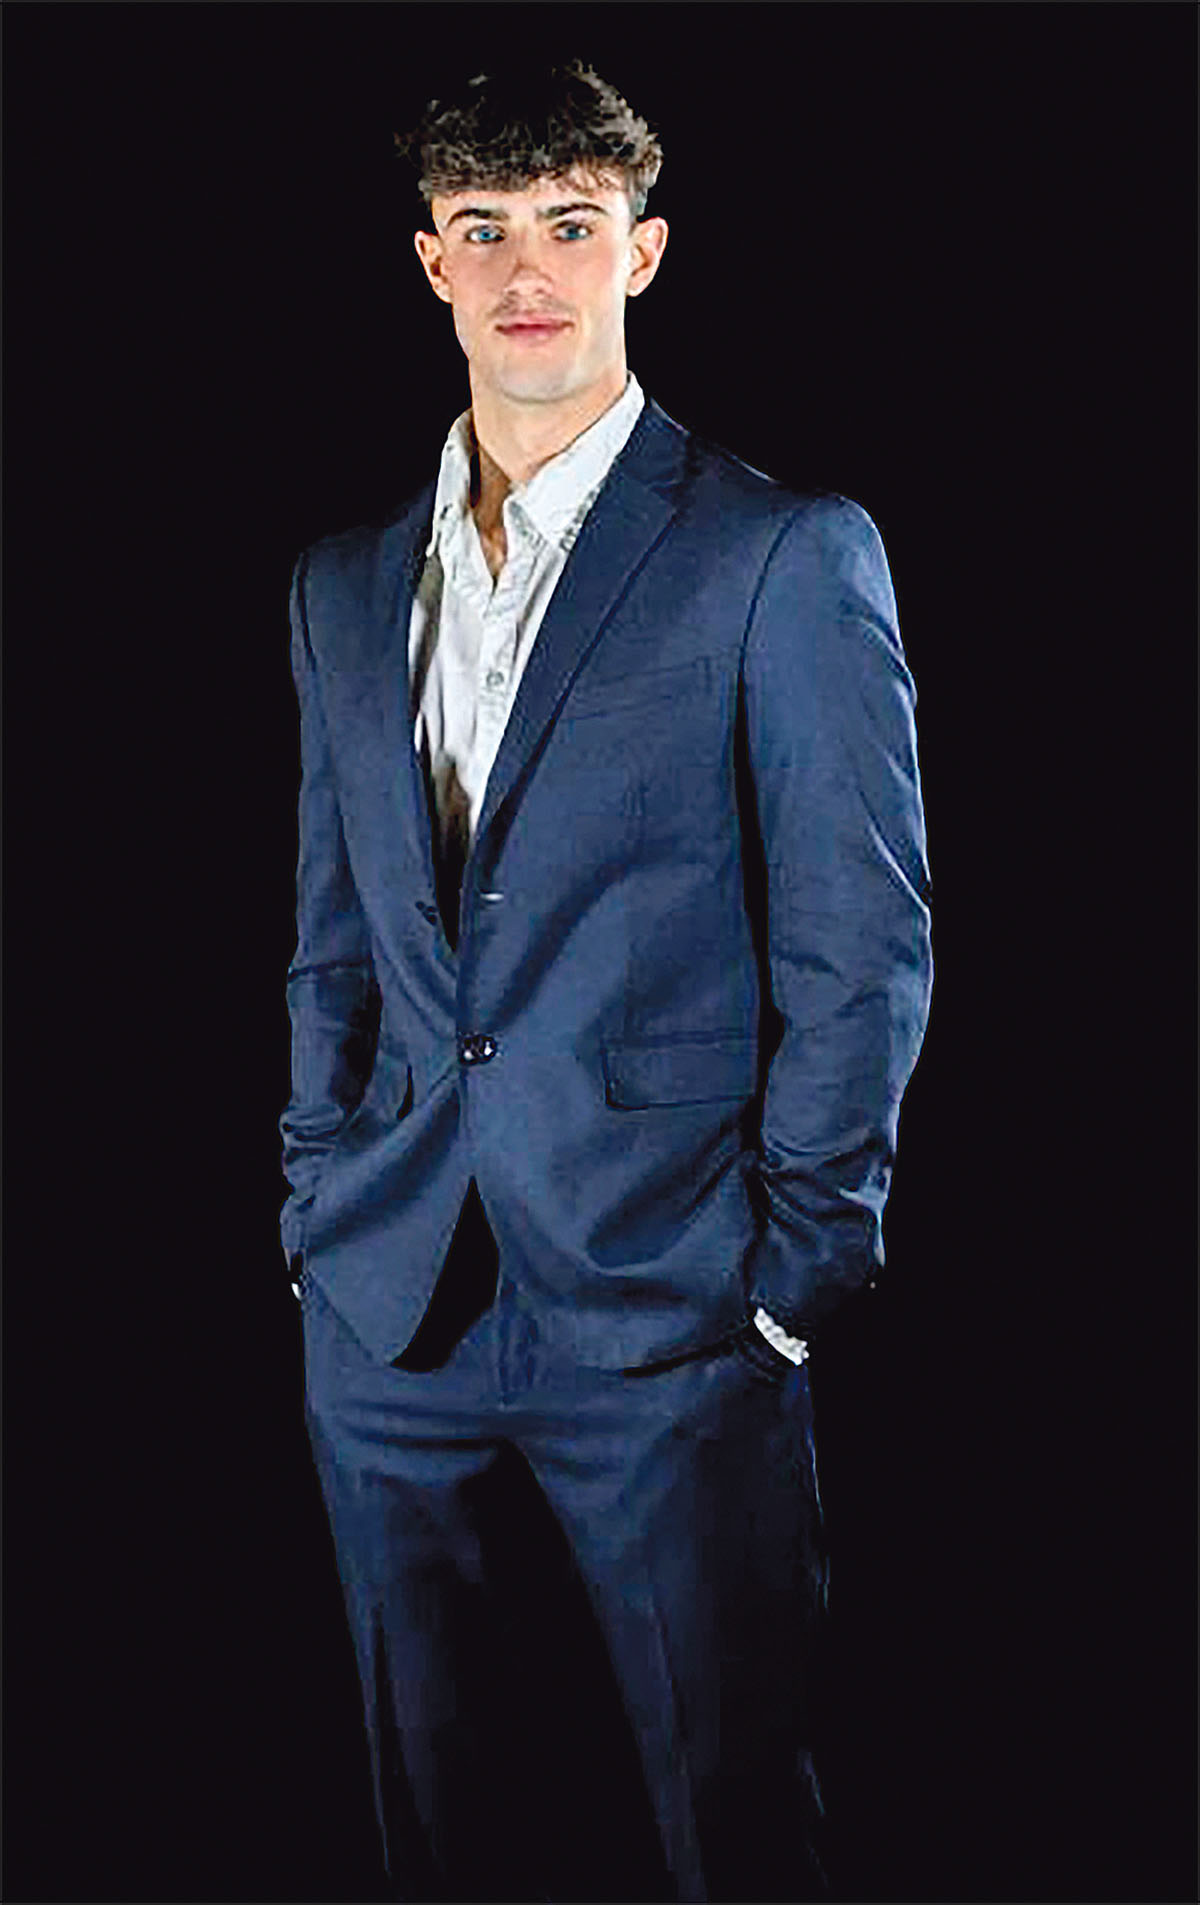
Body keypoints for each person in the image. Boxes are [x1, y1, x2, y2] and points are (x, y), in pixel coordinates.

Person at [280, 57, 932, 1904]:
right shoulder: (342, 589)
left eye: (569, 224)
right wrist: (316, 1205)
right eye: (482, 228)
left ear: (640, 252)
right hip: (391, 1314)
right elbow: (337, 935)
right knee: (439, 1841)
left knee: (734, 1836)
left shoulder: (776, 554)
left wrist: (792, 1275)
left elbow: (863, 941)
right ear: (431, 262)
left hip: (672, 1311)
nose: (527, 270)